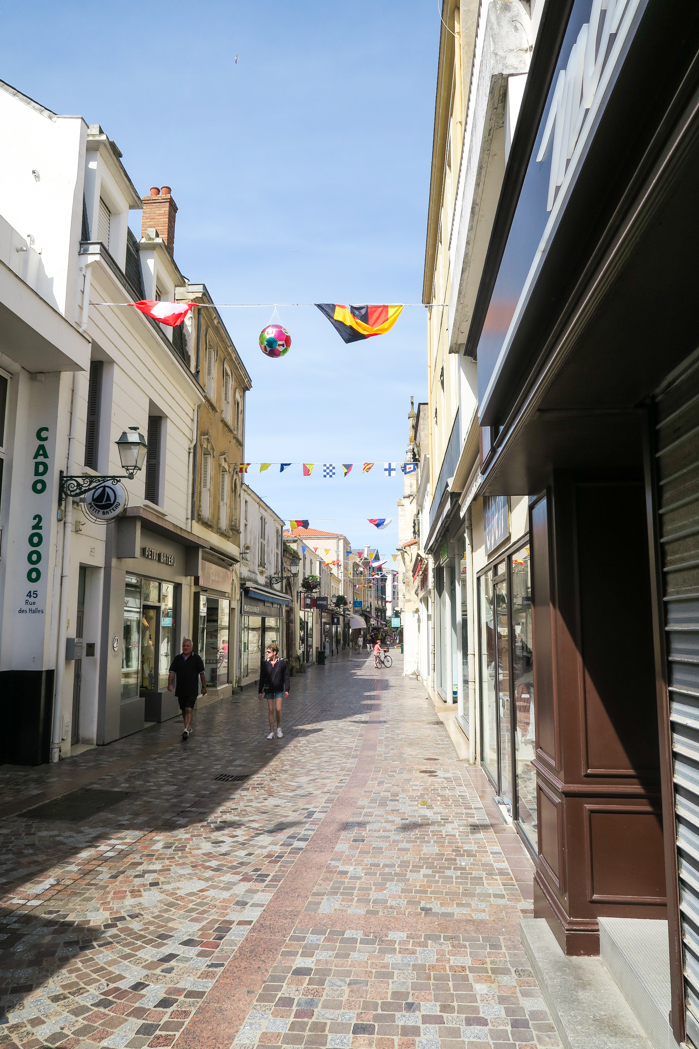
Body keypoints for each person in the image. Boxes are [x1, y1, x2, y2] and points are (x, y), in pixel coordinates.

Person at [168, 638, 206, 740]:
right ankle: (188, 726)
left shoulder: (197, 659)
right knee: (183, 709)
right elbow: (172, 672)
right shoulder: (177, 659)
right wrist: (170, 684)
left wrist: (204, 687)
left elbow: (202, 674)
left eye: (187, 646)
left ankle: (186, 729)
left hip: (192, 688)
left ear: (192, 647)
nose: (185, 647)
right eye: (184, 646)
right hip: (181, 688)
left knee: (189, 708)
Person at [258, 642, 289, 739]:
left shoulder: (282, 663)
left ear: (274, 652)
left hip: (279, 688)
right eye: (267, 652)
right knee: (270, 710)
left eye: (269, 652)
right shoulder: (265, 664)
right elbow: (262, 677)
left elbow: (286, 677)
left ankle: (278, 727)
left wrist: (287, 689)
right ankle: (271, 731)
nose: (267, 653)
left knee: (278, 709)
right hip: (269, 689)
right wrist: (260, 691)